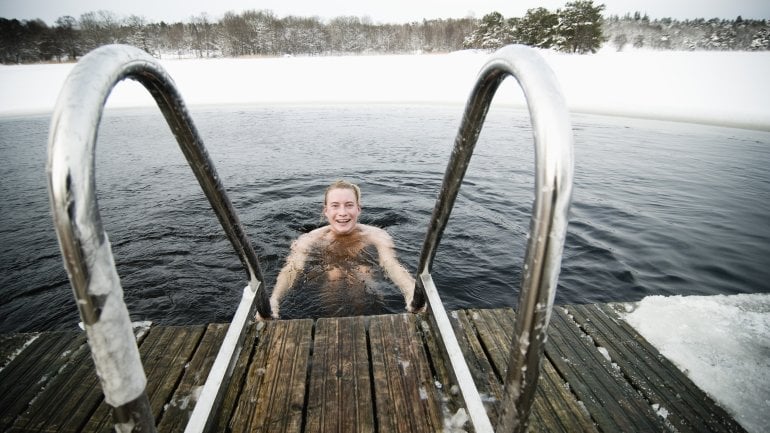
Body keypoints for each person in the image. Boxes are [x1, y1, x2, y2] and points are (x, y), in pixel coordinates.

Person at [264, 180, 416, 319]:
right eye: (335, 206)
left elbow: (391, 265)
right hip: (325, 288)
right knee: (334, 273)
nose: (342, 213)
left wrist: (411, 293)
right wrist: (275, 299)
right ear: (326, 211)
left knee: (362, 270)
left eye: (349, 205)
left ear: (358, 209)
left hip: (366, 283)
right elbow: (291, 269)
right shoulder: (309, 239)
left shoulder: (377, 235)